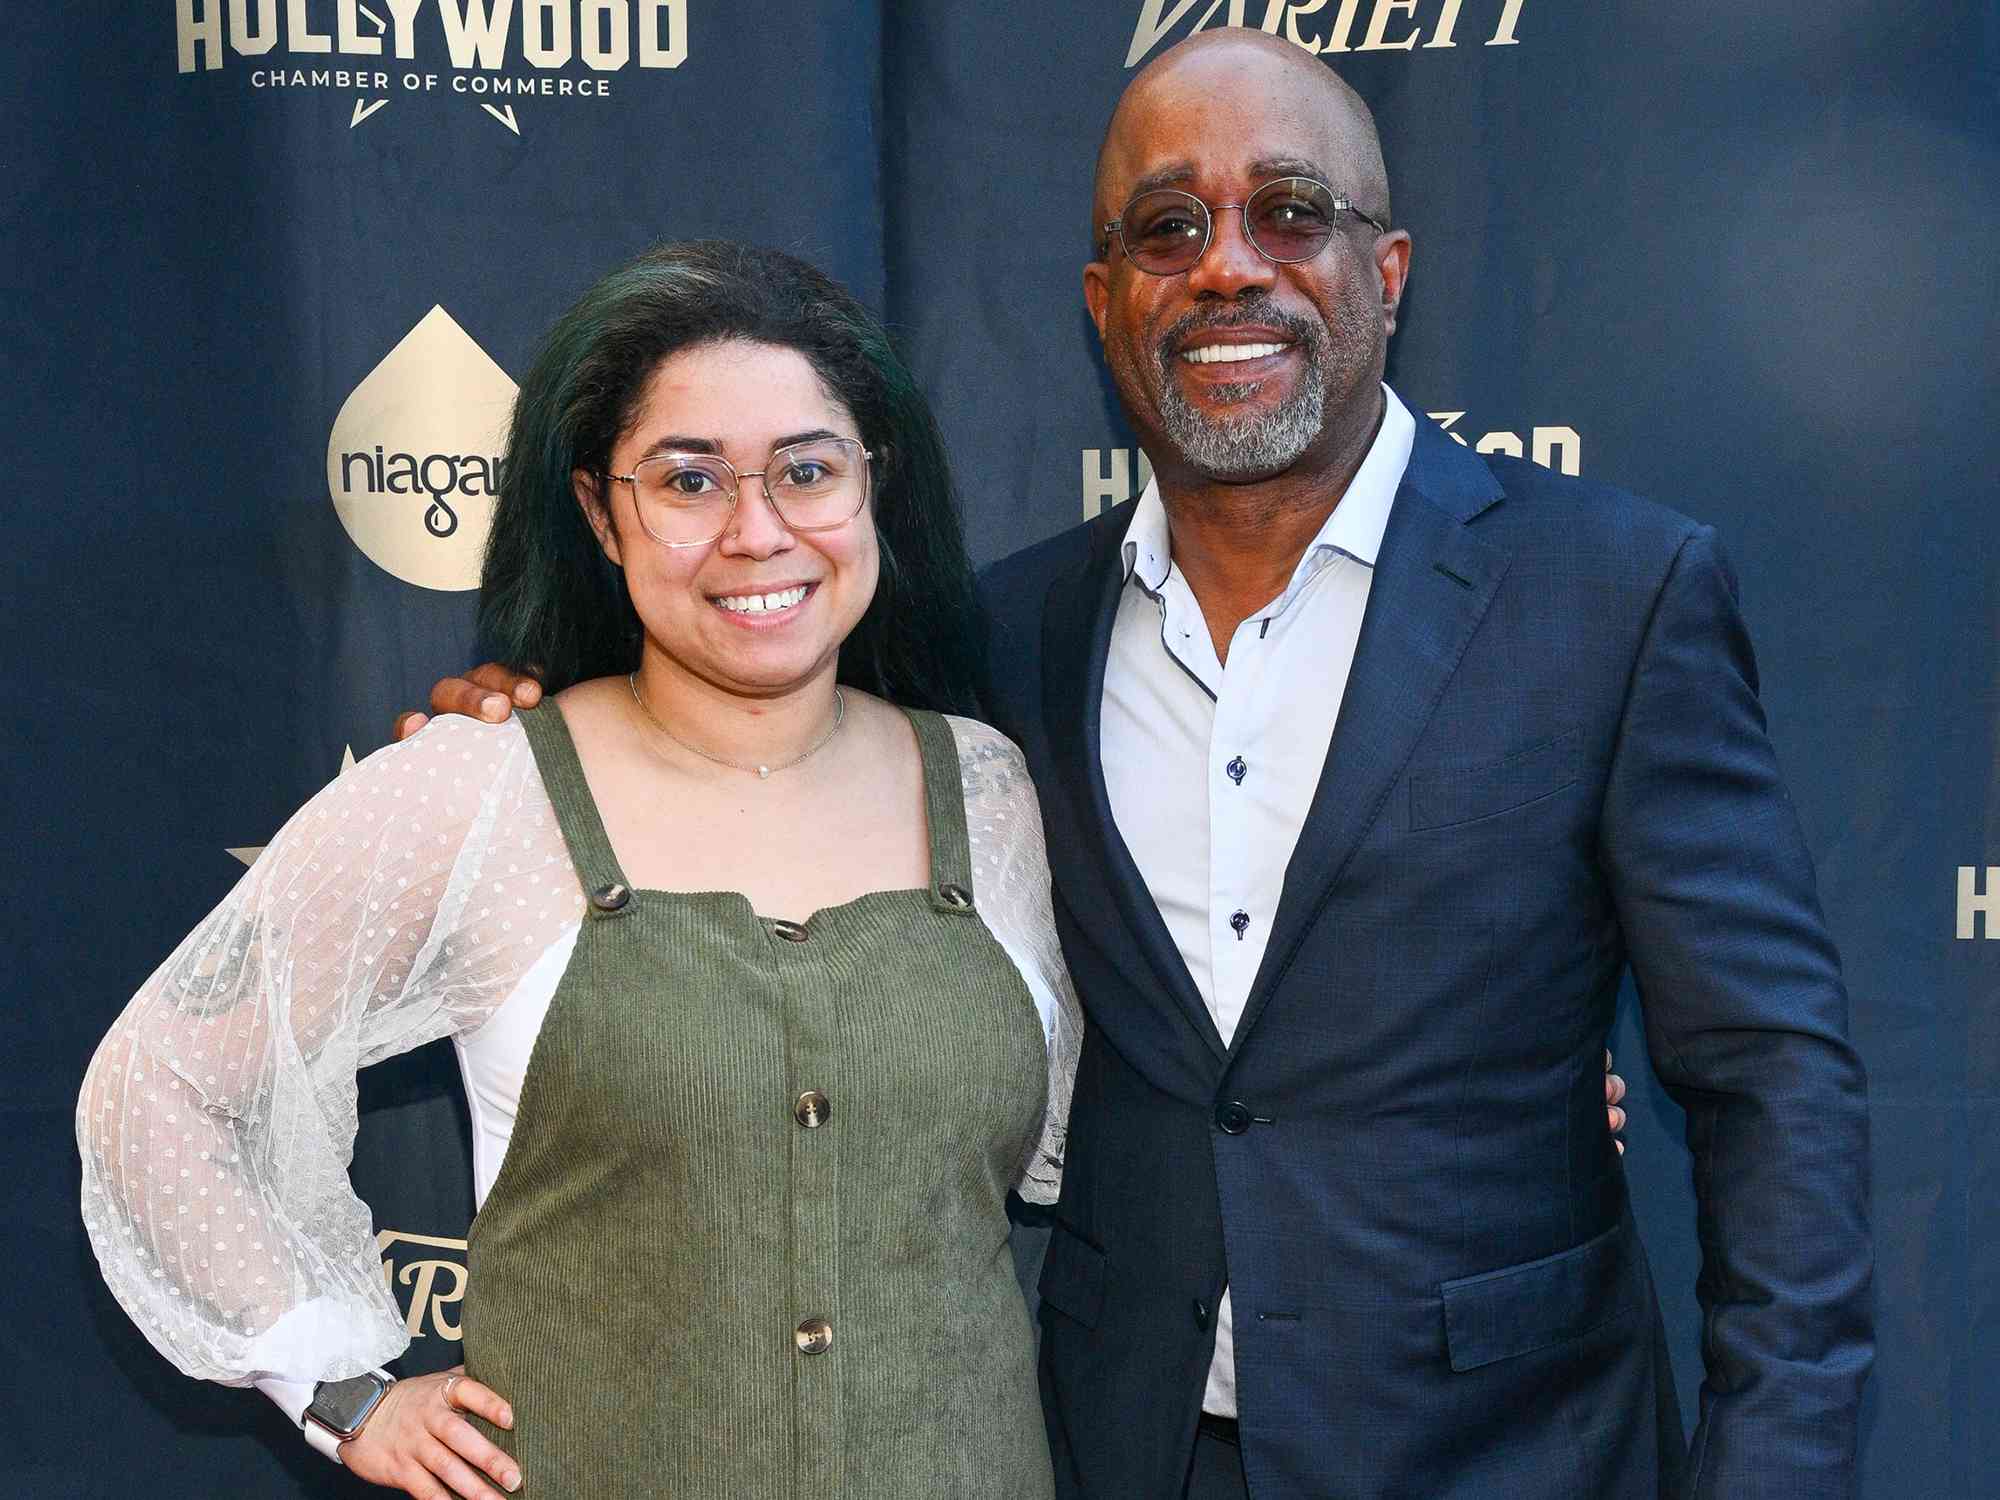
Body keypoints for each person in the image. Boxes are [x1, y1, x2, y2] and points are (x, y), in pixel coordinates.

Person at [425, 29, 1873, 1500]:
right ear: (1106, 300)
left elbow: (1770, 1079)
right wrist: (526, 728)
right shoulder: (1001, 634)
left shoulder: (1614, 594)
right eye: (1169, 226)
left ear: (1386, 269)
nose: (1229, 266)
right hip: (1116, 1446)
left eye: (1291, 212)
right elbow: (746, 750)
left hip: (1511, 1454)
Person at [77, 240, 1085, 1500]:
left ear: (874, 488)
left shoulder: (985, 788)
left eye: (807, 471)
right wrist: (343, 1391)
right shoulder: (476, 788)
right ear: (603, 515)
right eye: (688, 480)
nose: (756, 531)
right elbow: (159, 1087)